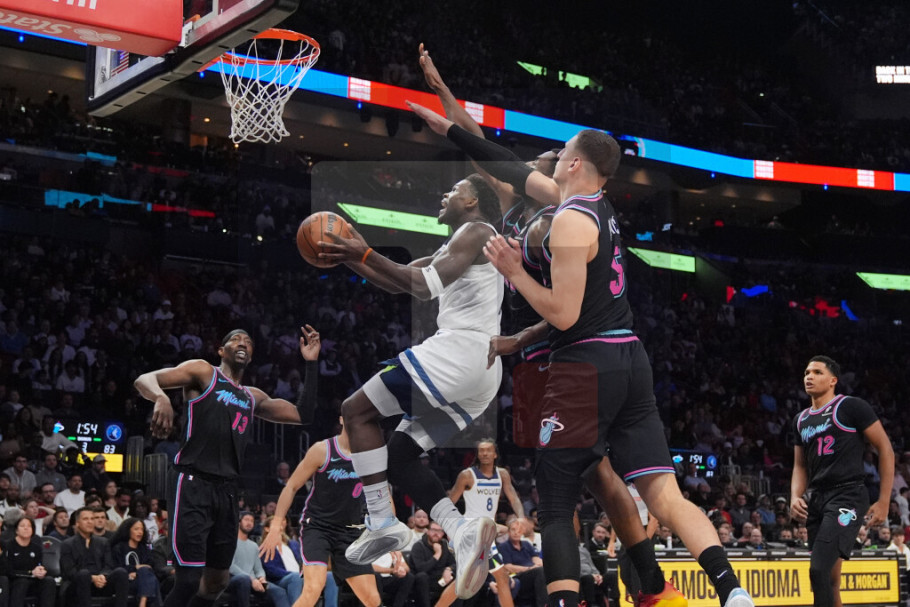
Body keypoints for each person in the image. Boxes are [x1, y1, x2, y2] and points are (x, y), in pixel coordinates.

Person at [409, 100, 752, 607]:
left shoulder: (566, 220)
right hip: (627, 356)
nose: (547, 158)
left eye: (560, 151)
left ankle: (606, 593)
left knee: (555, 499)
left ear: (572, 163)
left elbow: (564, 314)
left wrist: (514, 273)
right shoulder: (590, 202)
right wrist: (449, 125)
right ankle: (730, 591)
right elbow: (504, 163)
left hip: (583, 361)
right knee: (659, 493)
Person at [319, 172, 504, 600]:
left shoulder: (477, 231)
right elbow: (400, 280)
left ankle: (382, 520)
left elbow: (421, 285)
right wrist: (349, 257)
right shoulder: (457, 244)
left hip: (460, 351)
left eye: (454, 190)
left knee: (355, 411)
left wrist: (362, 251)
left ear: (472, 200)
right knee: (399, 457)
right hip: (482, 371)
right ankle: (461, 530)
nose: (445, 194)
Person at [134, 325, 321, 607]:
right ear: (222, 351)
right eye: (235, 339)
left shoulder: (252, 396)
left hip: (227, 490)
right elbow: (144, 379)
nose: (243, 342)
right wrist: (161, 397)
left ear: (251, 355)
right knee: (188, 580)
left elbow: (302, 415)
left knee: (217, 582)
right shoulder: (203, 372)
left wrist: (311, 364)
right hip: (193, 481)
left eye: (248, 341)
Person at [790, 355, 894, 607]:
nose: (809, 377)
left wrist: (883, 501)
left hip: (847, 495)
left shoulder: (851, 407)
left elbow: (885, 449)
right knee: (829, 580)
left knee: (818, 571)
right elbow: (800, 465)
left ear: (833, 380)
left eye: (817, 372)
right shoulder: (800, 419)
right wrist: (794, 496)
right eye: (806, 372)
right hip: (817, 498)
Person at [259, 417, 381, 607]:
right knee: (313, 588)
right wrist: (275, 526)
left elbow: (383, 495)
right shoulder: (322, 449)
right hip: (318, 527)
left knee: (372, 599)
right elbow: (291, 486)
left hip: (351, 532)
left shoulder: (371, 456)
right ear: (342, 418)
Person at [60, 506, 130, 607]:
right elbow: (69, 572)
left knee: (121, 572)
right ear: (77, 523)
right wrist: (92, 578)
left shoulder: (103, 542)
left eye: (92, 519)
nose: (90, 522)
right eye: (85, 519)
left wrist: (103, 576)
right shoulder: (67, 544)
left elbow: (109, 565)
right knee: (83, 574)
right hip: (77, 584)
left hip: (101, 583)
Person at [226, 512, 280, 607]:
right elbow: (231, 566)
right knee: (244, 579)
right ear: (239, 522)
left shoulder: (254, 546)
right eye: (246, 520)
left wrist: (262, 578)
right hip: (234, 579)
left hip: (253, 581)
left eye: (252, 521)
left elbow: (258, 568)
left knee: (275, 591)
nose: (249, 523)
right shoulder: (231, 542)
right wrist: (252, 579)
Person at [1, 516, 56, 607]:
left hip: (32, 581)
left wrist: (41, 570)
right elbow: (7, 571)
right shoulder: (8, 546)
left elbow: (39, 564)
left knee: (49, 580)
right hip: (14, 581)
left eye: (29, 526)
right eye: (22, 526)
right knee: (22, 582)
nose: (26, 528)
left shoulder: (36, 548)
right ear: (16, 530)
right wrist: (29, 573)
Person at [110, 517, 162, 607]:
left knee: (147, 573)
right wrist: (135, 568)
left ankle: (143, 601)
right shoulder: (119, 548)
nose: (140, 532)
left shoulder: (144, 549)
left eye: (142, 529)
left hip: (141, 581)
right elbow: (116, 568)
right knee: (151, 580)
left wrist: (139, 572)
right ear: (128, 530)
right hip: (126, 583)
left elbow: (150, 567)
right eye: (136, 529)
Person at [497, 518, 547, 607]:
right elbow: (508, 567)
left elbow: (535, 558)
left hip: (533, 573)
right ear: (508, 532)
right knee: (540, 572)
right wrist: (529, 569)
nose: (516, 532)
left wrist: (541, 564)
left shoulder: (526, 544)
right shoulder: (503, 547)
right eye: (513, 530)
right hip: (517, 577)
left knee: (546, 570)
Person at [409, 521, 457, 607]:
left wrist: (448, 569)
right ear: (427, 531)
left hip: (441, 579)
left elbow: (454, 563)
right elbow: (421, 569)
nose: (436, 534)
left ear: (443, 533)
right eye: (433, 530)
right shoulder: (418, 546)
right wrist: (437, 554)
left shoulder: (445, 545)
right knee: (422, 576)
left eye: (439, 531)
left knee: (459, 578)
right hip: (424, 581)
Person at [258, 516, 303, 607]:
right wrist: (294, 575)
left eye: (280, 525)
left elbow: (302, 562)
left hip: (298, 576)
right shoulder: (265, 547)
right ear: (267, 529)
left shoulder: (294, 544)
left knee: (329, 576)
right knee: (295, 578)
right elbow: (272, 570)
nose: (279, 527)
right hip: (280, 579)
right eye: (275, 525)